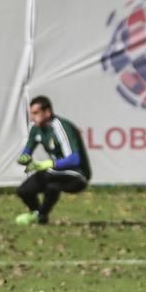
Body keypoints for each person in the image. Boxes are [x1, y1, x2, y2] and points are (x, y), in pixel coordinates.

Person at [14, 95, 92, 226]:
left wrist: (49, 163)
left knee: (51, 182)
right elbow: (28, 150)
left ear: (47, 112)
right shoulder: (36, 129)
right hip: (56, 172)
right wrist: (24, 158)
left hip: (78, 174)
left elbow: (75, 159)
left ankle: (40, 215)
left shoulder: (61, 127)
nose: (32, 117)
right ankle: (39, 216)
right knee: (24, 191)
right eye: (31, 114)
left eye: (36, 113)